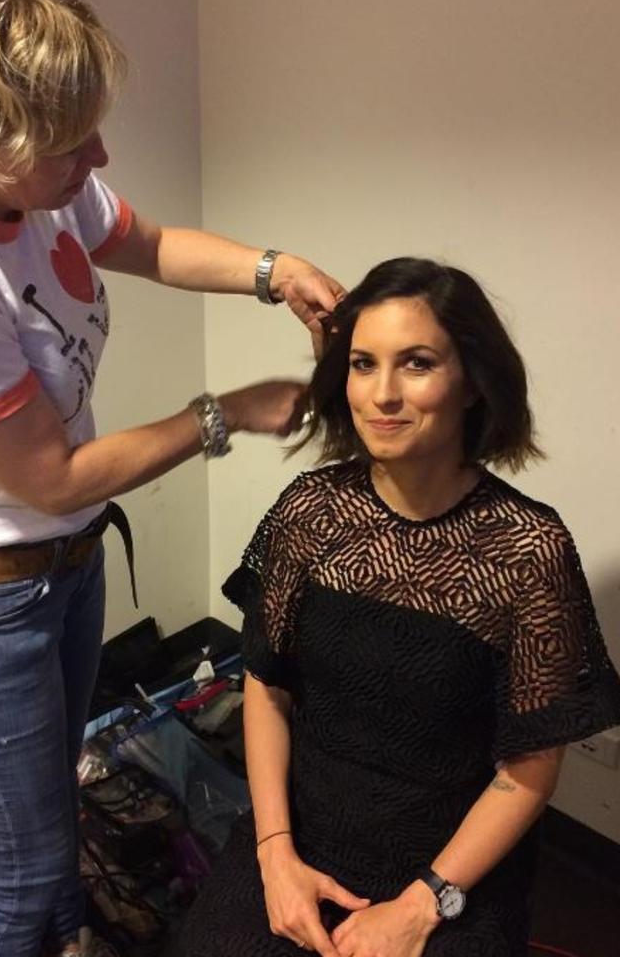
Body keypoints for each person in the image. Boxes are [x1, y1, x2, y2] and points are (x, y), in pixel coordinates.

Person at [0, 0, 347, 957]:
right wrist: (226, 411)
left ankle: (71, 941)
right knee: (22, 873)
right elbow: (52, 475)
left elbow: (147, 241)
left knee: (57, 822)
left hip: (62, 571)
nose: (101, 159)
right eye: (74, 143)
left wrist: (271, 268)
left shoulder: (30, 186)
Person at [179, 257, 620, 957]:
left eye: (416, 363)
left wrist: (423, 905)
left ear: (472, 381)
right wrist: (274, 854)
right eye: (362, 364)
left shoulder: (528, 549)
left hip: (449, 861)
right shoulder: (311, 512)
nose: (382, 394)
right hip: (302, 829)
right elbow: (265, 686)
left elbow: (528, 771)